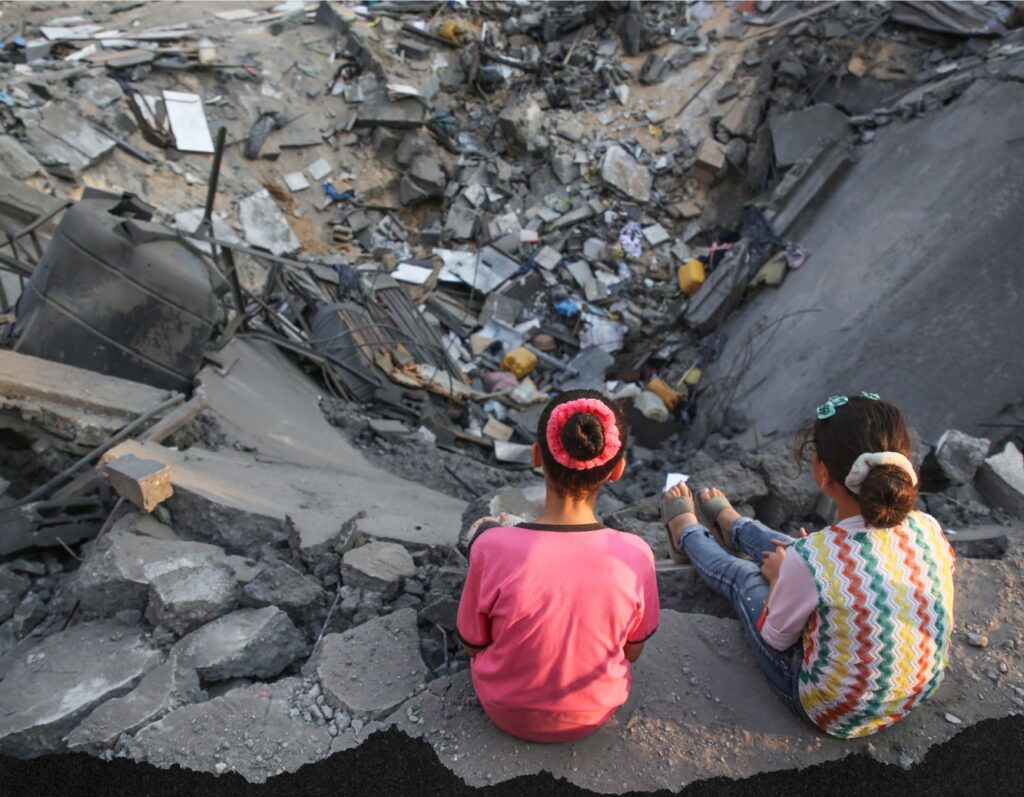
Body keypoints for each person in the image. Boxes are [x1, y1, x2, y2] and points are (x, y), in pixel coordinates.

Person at [662, 393, 955, 738]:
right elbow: (845, 566)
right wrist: (798, 568)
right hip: (913, 693)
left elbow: (776, 637)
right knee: (802, 555)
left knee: (744, 577)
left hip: (833, 710)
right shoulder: (928, 527)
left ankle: (686, 533)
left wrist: (776, 580)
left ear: (824, 475)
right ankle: (735, 525)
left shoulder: (812, 558)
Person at [456, 389, 659, 743]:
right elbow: (632, 651)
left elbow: (473, 645)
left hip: (504, 710)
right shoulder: (637, 554)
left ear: (536, 456)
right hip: (594, 713)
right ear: (618, 471)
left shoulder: (490, 546)